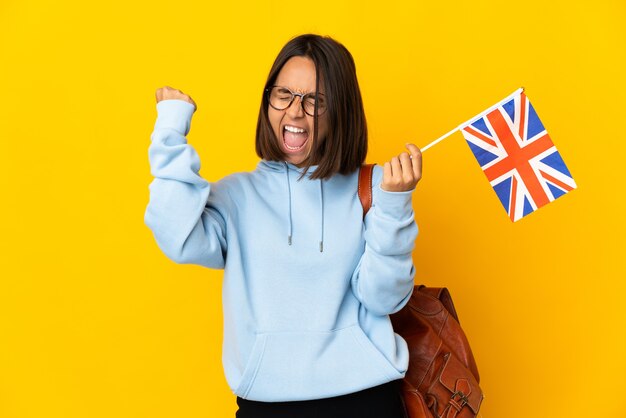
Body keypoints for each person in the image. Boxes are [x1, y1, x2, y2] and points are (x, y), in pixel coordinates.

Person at [145, 33, 422, 418]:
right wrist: (170, 134)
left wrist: (394, 206)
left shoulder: (375, 188)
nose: (295, 111)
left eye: (315, 101)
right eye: (284, 95)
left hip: (366, 400)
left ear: (339, 111)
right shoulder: (237, 197)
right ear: (268, 101)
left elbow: (383, 298)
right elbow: (177, 237)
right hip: (267, 404)